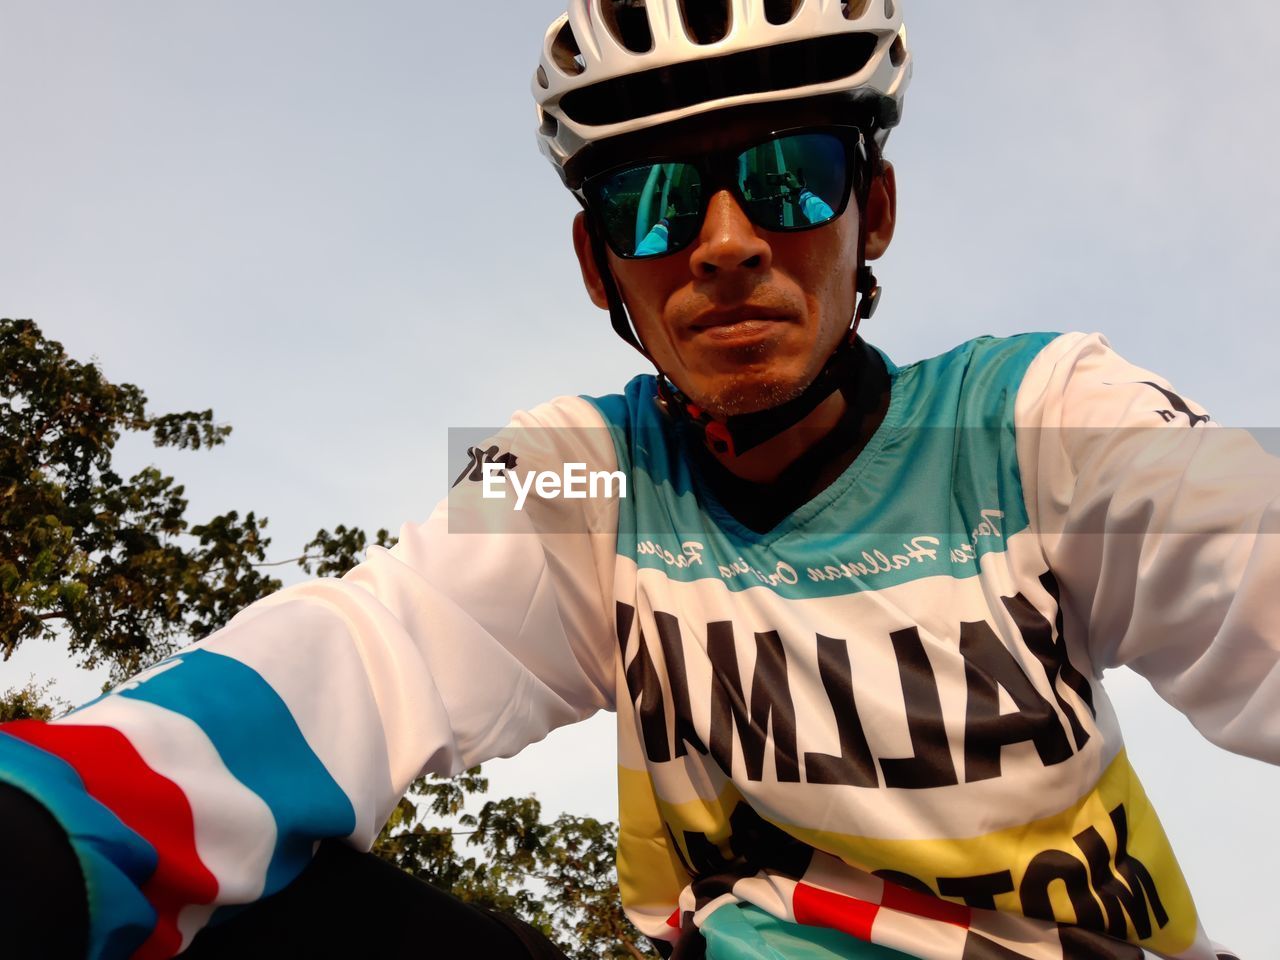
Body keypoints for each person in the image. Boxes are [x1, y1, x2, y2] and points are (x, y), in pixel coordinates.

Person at [1, 2, 1276, 958]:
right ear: (595, 261)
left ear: (871, 209)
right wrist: (57, 810)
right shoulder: (575, 466)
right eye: (655, 203)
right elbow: (369, 637)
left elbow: (1241, 542)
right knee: (226, 908)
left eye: (790, 177)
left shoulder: (1044, 407)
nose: (723, 245)